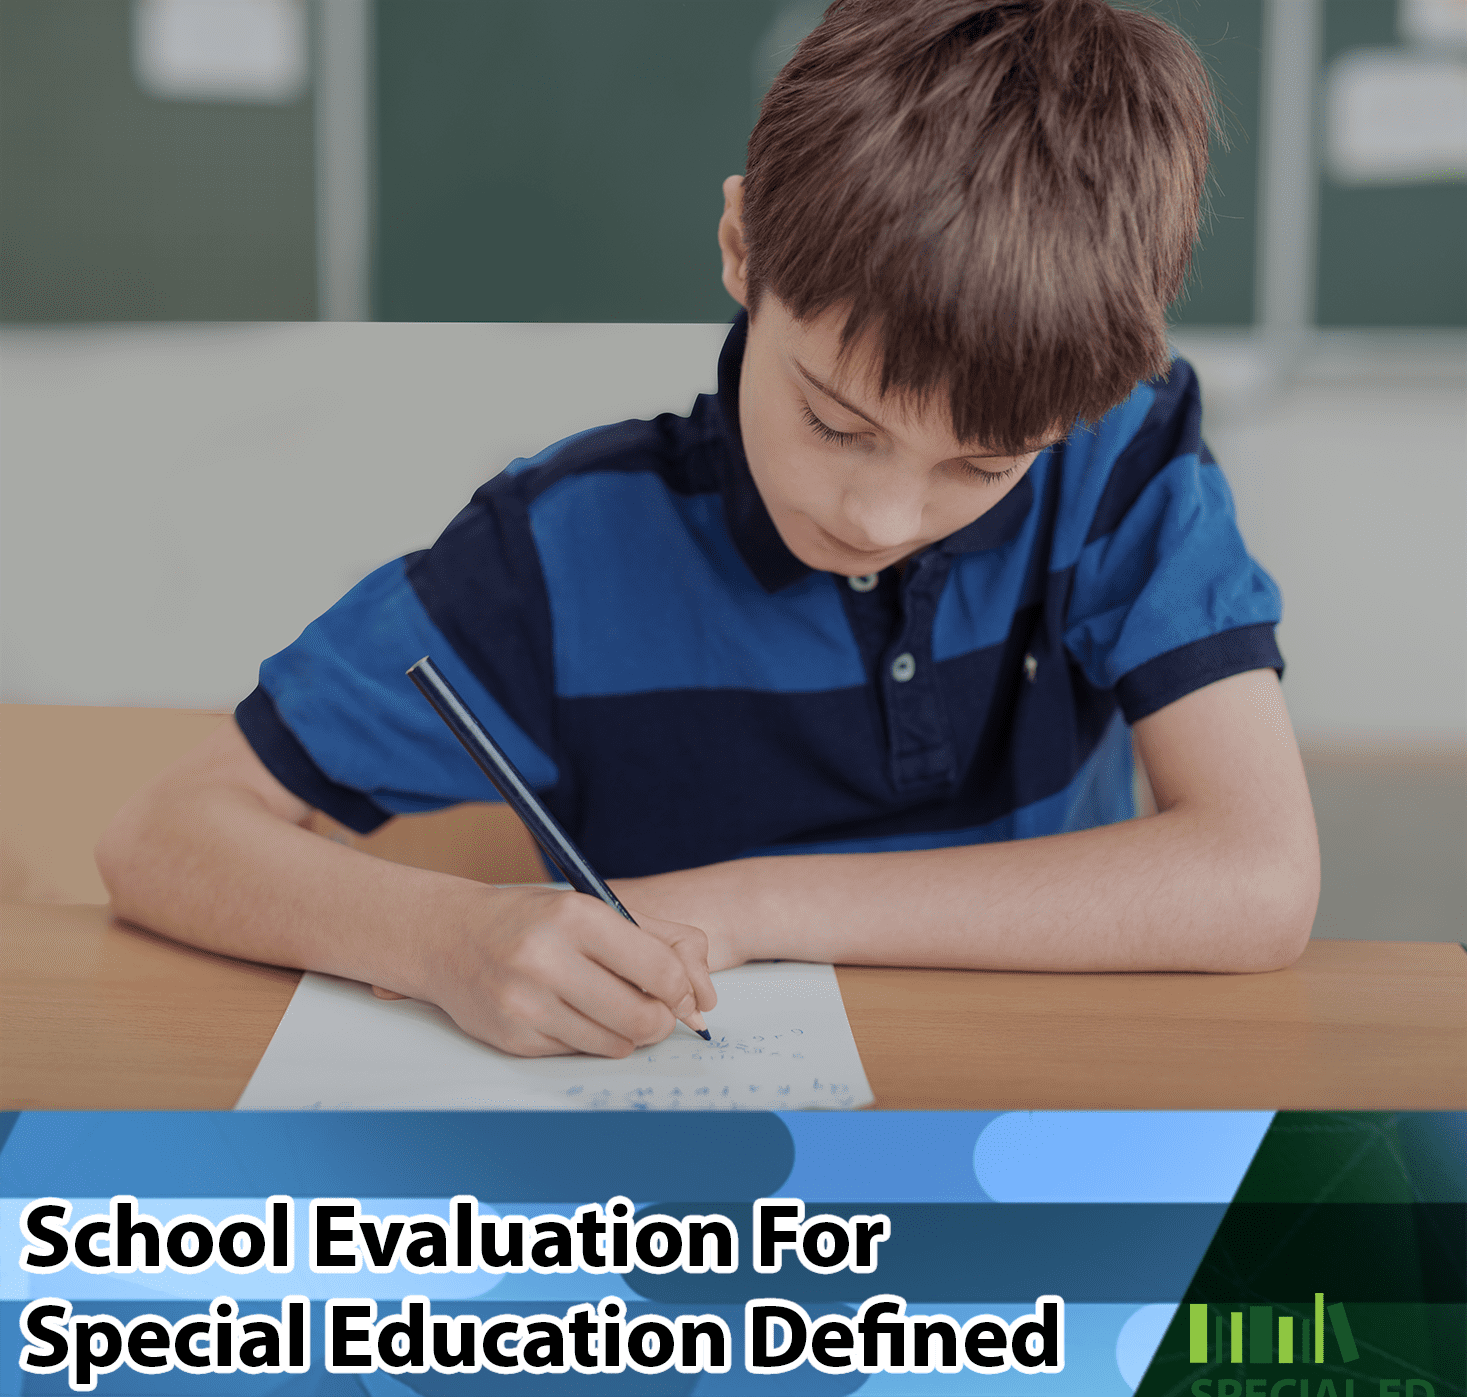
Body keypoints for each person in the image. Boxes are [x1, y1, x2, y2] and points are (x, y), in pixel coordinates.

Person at [97, 0, 1319, 1060]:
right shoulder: (559, 553)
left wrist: (740, 908)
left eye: (984, 465)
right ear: (743, 248)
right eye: (838, 423)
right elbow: (161, 837)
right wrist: (448, 936)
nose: (882, 516)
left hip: (1034, 1108)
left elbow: (1260, 882)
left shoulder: (1118, 453)